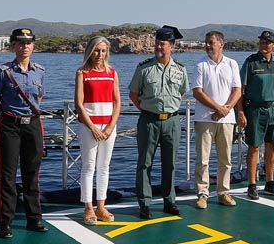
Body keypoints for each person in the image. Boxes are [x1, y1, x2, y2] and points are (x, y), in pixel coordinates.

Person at [0, 28, 47, 238]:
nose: (25, 46)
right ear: (13, 45)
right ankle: (6, 221)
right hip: (10, 126)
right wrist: (12, 114)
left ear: (33, 45)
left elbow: (38, 98)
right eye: (20, 43)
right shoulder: (2, 71)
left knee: (32, 173)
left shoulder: (39, 71)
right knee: (8, 175)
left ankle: (34, 218)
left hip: (32, 125)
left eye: (29, 42)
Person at [129, 25, 189, 218]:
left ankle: (169, 201)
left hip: (171, 122)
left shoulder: (180, 69)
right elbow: (133, 94)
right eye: (157, 44)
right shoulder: (144, 68)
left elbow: (181, 91)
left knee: (169, 163)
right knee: (144, 163)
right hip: (148, 121)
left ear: (171, 46)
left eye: (162, 44)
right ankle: (144, 203)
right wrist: (148, 110)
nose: (158, 47)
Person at [75, 35, 120, 224]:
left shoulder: (112, 73)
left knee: (104, 167)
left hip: (108, 127)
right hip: (89, 127)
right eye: (96, 50)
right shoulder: (82, 73)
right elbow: (79, 103)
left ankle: (101, 206)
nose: (99, 54)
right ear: (90, 51)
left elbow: (117, 102)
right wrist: (92, 127)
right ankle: (88, 207)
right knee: (88, 167)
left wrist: (110, 126)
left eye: (103, 51)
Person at [192, 30, 241, 209]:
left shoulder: (232, 64)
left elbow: (237, 90)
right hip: (205, 119)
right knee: (203, 159)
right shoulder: (200, 65)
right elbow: (197, 92)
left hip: (227, 120)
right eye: (206, 42)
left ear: (221, 44)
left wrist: (225, 109)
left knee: (225, 158)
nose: (207, 45)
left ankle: (223, 192)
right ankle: (202, 193)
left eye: (210, 42)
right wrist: (218, 108)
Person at [236, 30, 274, 200]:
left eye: (267, 43)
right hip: (255, 110)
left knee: (272, 145)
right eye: (261, 42)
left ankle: (270, 183)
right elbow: (240, 90)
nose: (263, 45)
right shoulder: (251, 63)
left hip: (273, 109)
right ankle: (251, 185)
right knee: (254, 147)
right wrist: (241, 112)